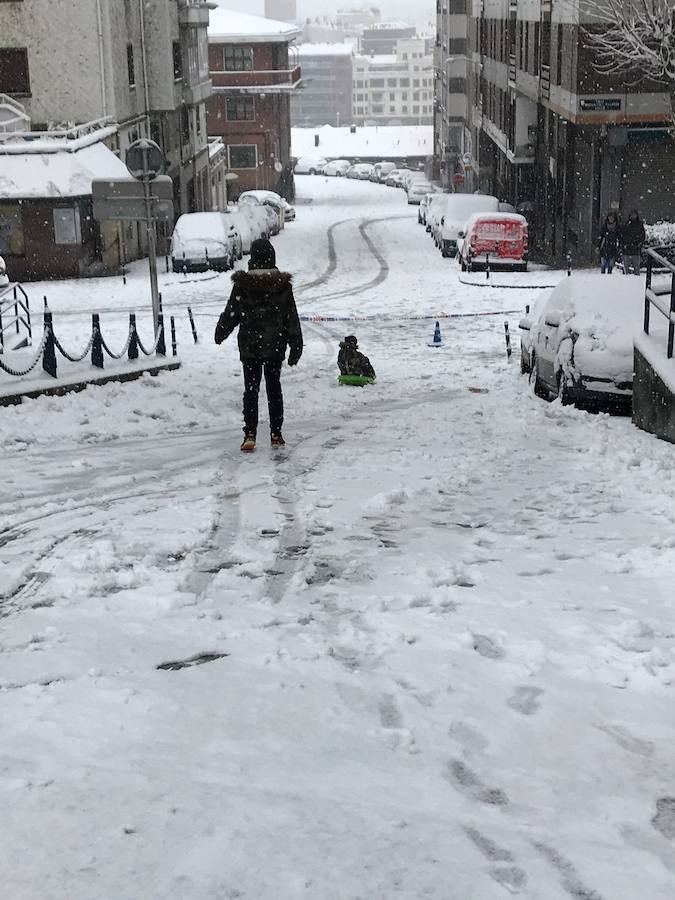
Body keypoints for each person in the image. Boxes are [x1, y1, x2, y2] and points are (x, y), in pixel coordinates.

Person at [215, 238, 303, 453]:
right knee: (274, 389)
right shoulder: (282, 286)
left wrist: (221, 332)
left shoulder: (242, 285)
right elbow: (291, 317)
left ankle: (250, 433)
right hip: (275, 348)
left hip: (250, 347)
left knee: (251, 390)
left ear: (252, 260)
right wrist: (295, 346)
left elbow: (231, 314)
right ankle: (276, 433)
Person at [622, 209, 646, 275]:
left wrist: (640, 243)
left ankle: (636, 281)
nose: (633, 216)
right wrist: (624, 244)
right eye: (632, 215)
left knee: (636, 268)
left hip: (636, 249)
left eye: (634, 215)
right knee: (626, 268)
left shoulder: (640, 224)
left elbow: (643, 235)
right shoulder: (626, 224)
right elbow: (622, 235)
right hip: (627, 249)